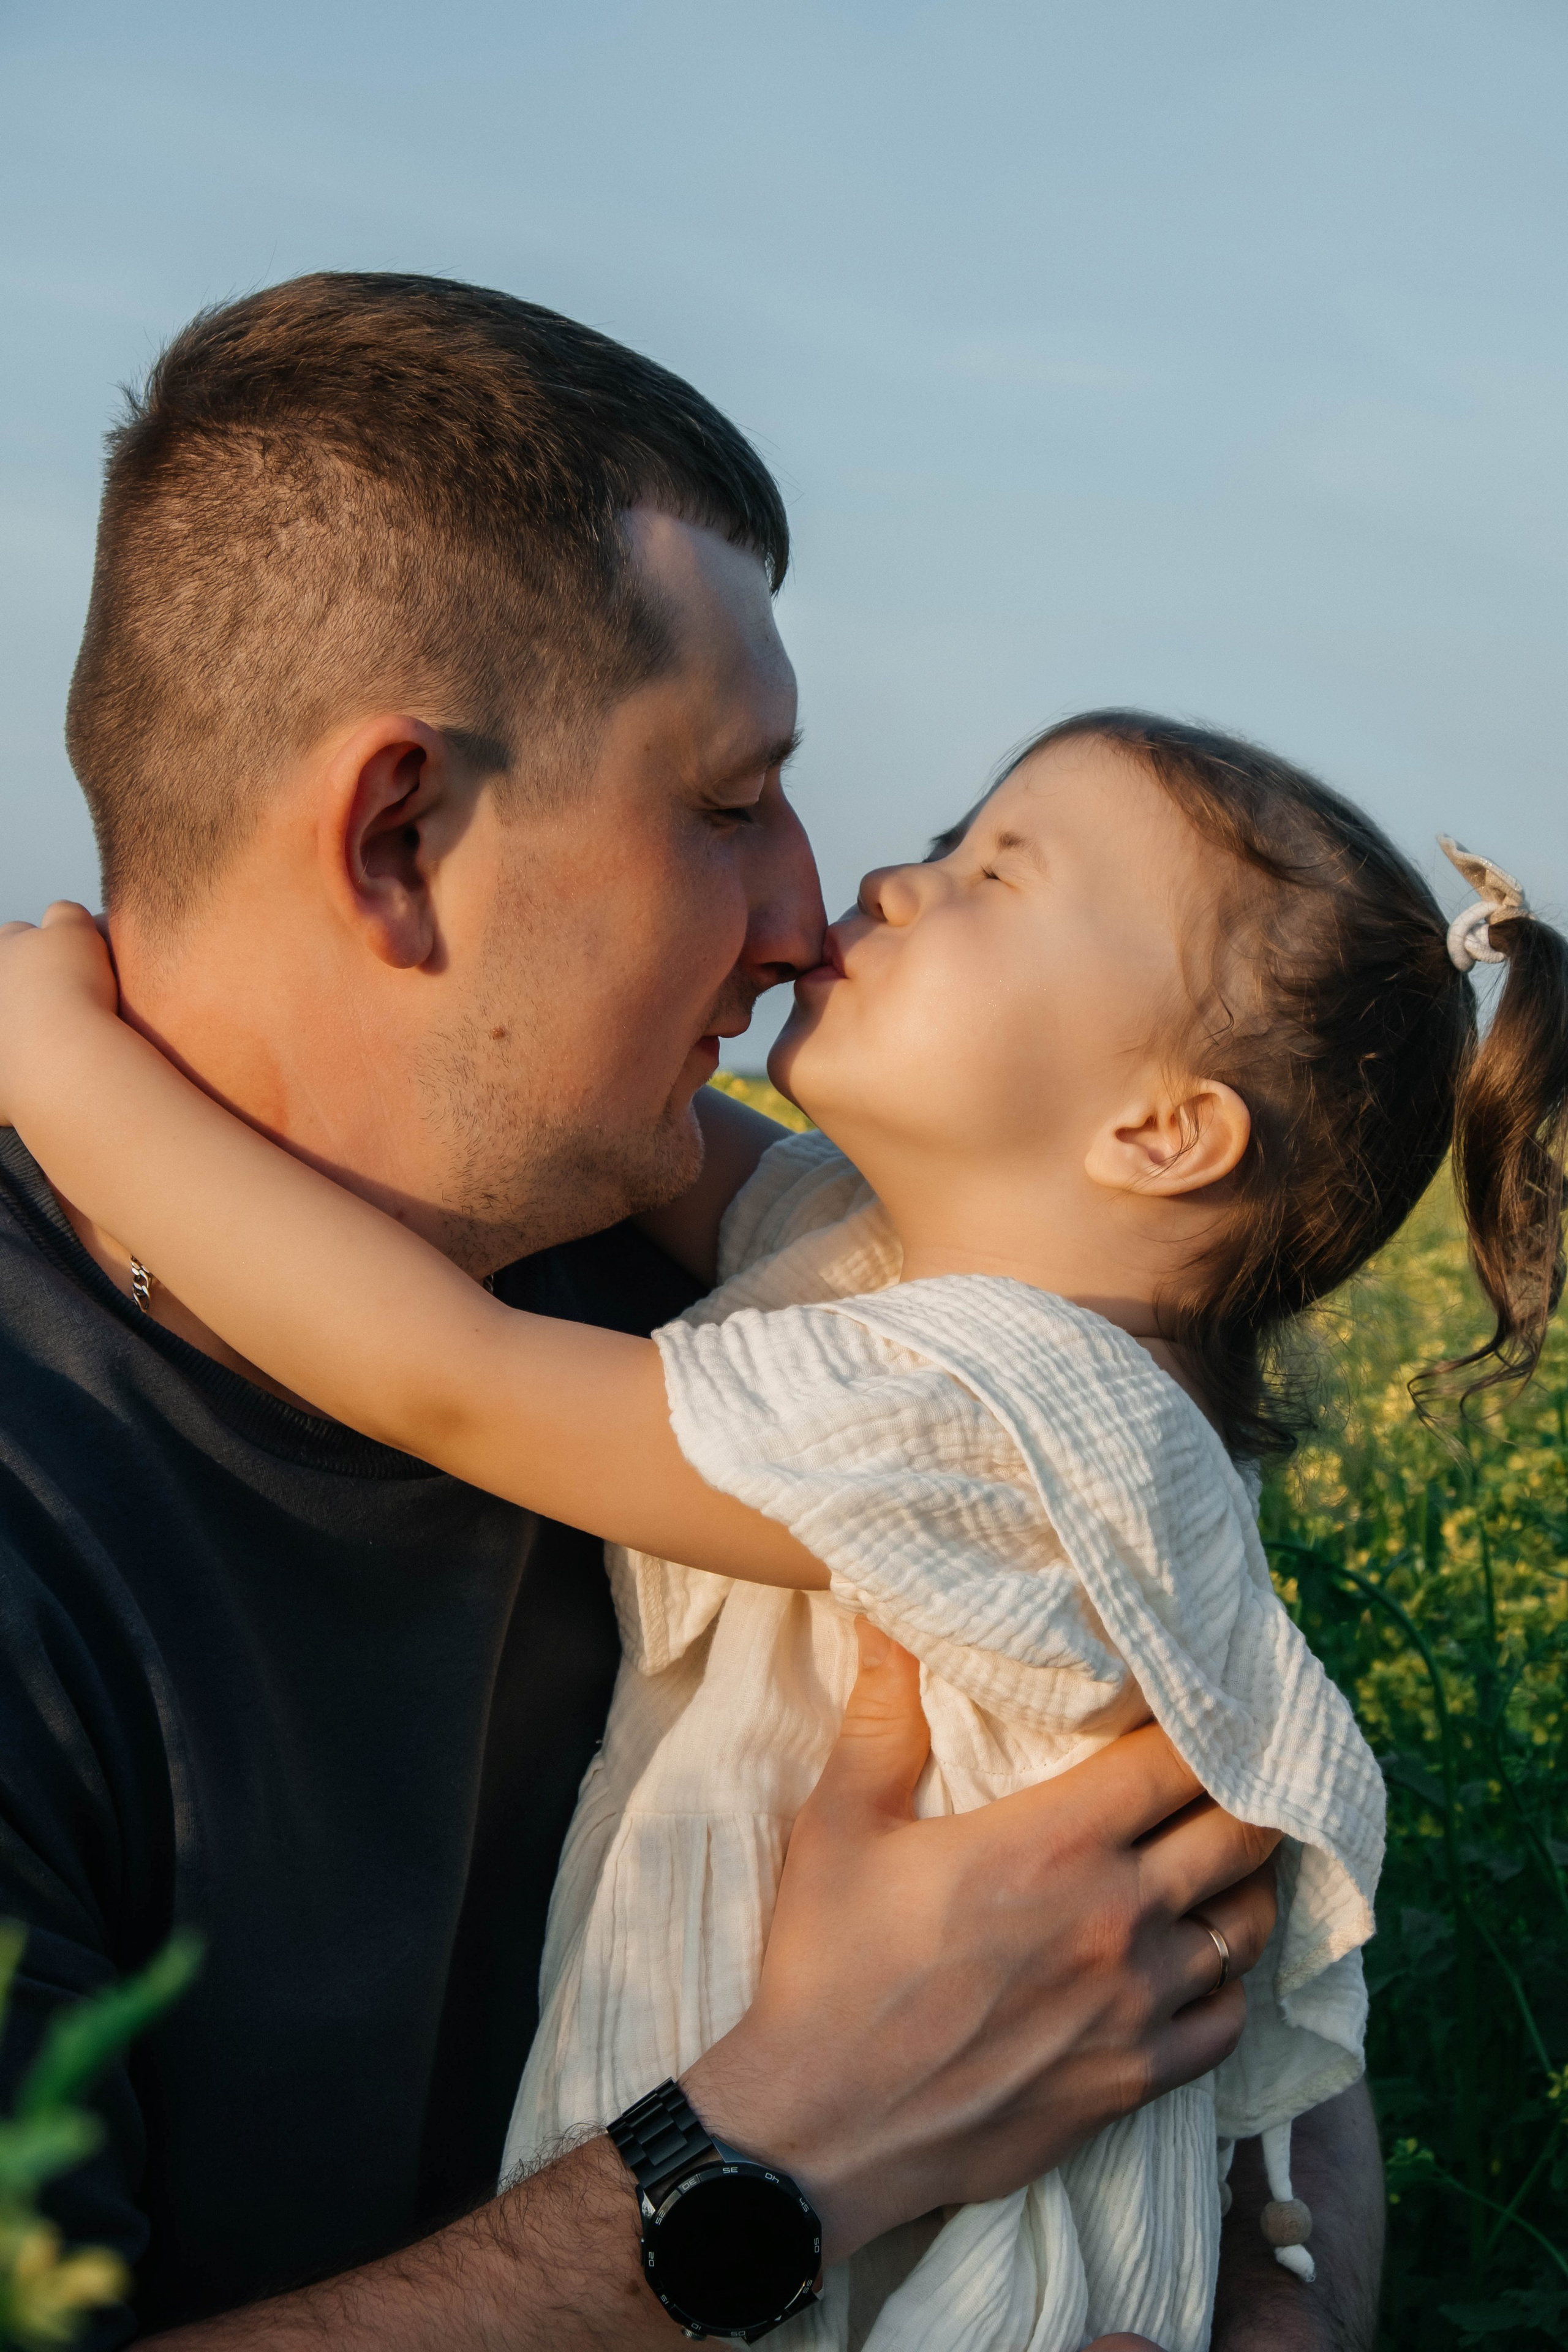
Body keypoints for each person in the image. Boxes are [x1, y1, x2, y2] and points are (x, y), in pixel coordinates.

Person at [0, 273, 1375, 2351]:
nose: (814, 912)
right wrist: (788, 2144)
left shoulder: (756, 1284)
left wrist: (1282, 2300)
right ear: (398, 836)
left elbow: (1235, 1849)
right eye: (731, 805)